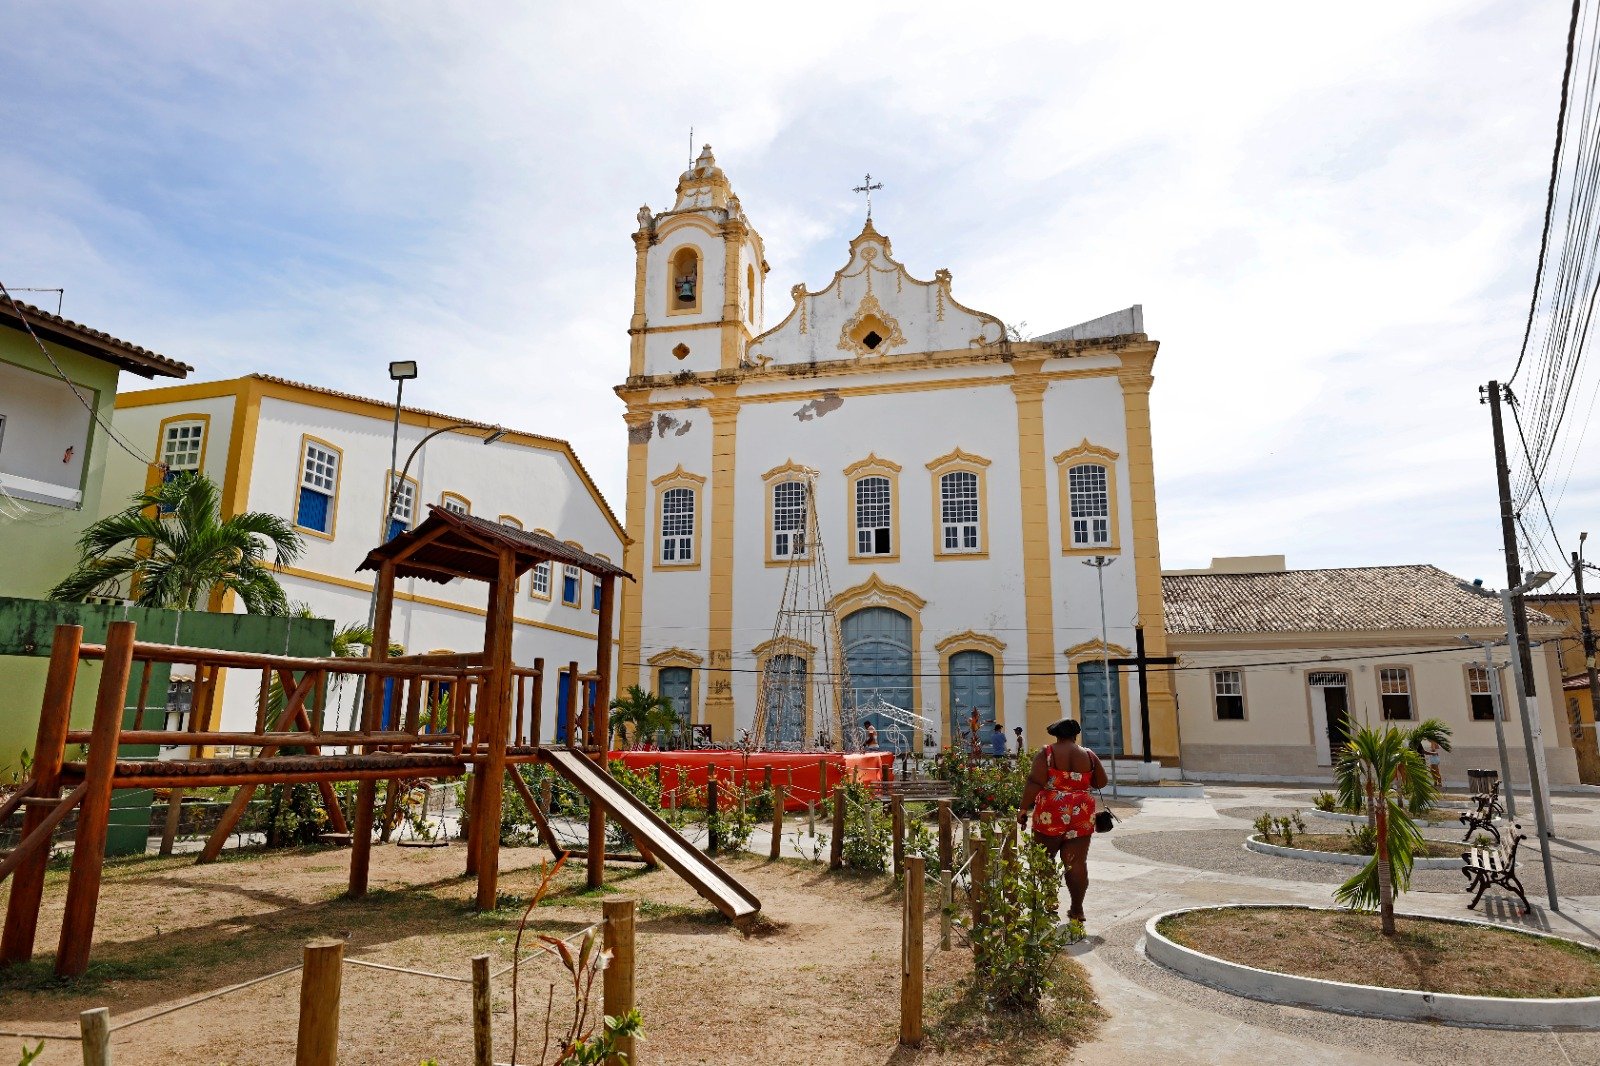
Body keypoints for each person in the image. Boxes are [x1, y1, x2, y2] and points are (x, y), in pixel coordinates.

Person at [1018, 718, 1107, 924]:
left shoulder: (1047, 753)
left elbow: (1034, 781)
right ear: (1076, 735)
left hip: (1052, 810)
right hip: (1081, 812)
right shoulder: (1088, 755)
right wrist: (1079, 782)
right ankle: (1077, 909)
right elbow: (1101, 782)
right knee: (1076, 863)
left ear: (1056, 735)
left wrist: (1023, 808)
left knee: (1045, 858)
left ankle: (1049, 905)